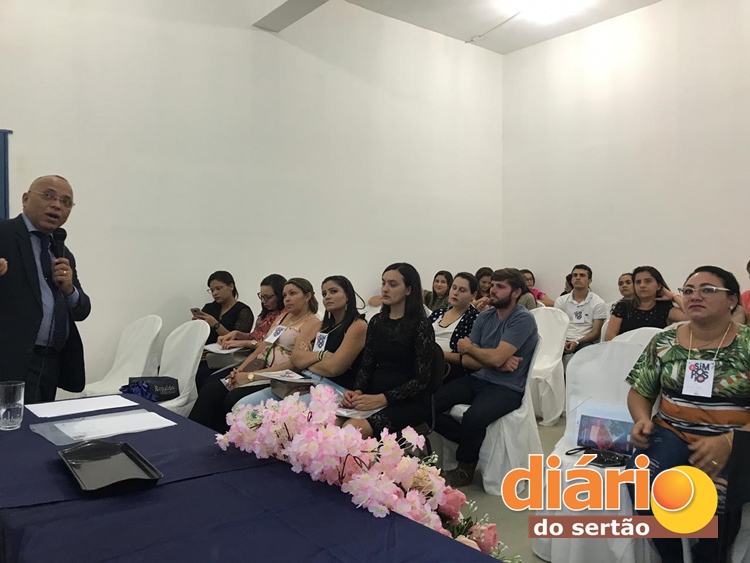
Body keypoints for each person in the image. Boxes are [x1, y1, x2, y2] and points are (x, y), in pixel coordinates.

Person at [625, 266, 750, 563]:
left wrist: (731, 441)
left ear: (732, 300)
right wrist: (642, 418)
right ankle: (670, 555)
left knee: (719, 495)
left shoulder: (746, 344)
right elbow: (640, 391)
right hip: (672, 430)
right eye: (689, 290)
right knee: (641, 478)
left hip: (736, 436)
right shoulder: (665, 341)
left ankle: (709, 555)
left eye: (708, 290)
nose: (695, 296)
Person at [434, 268, 539, 487]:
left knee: (473, 418)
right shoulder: (484, 317)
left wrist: (473, 349)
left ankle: (466, 464)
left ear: (516, 292)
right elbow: (469, 360)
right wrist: (494, 360)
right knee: (429, 404)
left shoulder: (522, 319)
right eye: (492, 285)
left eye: (500, 287)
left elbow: (483, 354)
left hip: (508, 387)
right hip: (479, 378)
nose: (493, 290)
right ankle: (471, 441)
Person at [0, 175, 91, 403]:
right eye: (48, 196)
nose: (57, 205)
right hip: (9, 361)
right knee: (10, 423)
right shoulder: (3, 234)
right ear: (25, 199)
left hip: (51, 362)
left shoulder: (62, 252)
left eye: (66, 202)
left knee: (41, 422)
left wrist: (70, 290)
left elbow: (82, 311)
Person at [189, 278, 320, 432]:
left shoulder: (312, 323)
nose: (287, 299)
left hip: (279, 376)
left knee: (232, 397)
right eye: (285, 295)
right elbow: (263, 346)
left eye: (293, 294)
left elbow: (294, 364)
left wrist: (251, 376)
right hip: (259, 366)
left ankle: (220, 436)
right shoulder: (283, 317)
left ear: (307, 296)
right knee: (211, 389)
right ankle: (193, 433)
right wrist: (241, 370)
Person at [235, 276, 367, 407]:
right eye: (324, 293)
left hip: (333, 388)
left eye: (333, 291)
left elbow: (334, 368)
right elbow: (296, 358)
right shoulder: (323, 326)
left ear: (348, 295)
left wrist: (307, 360)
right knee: (241, 405)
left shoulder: (357, 325)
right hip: (304, 381)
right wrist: (323, 355)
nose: (327, 297)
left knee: (278, 412)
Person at [341, 263, 435, 438]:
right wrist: (357, 391)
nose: (385, 289)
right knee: (332, 422)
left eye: (393, 284)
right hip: (375, 394)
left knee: (351, 431)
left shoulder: (421, 325)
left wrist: (382, 398)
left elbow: (422, 380)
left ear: (408, 290)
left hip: (407, 401)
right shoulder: (377, 321)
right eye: (383, 283)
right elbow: (367, 365)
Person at [605, 266, 688, 341]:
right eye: (638, 282)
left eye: (648, 281)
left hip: (653, 351)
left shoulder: (664, 307)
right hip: (624, 349)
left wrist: (674, 296)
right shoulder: (624, 306)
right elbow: (609, 337)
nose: (642, 285)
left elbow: (690, 316)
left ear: (659, 286)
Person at [429, 272, 480, 381]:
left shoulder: (475, 318)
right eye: (454, 288)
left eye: (462, 290)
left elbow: (469, 357)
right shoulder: (438, 313)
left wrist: (436, 354)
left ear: (473, 295)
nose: (455, 293)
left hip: (448, 368)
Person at [217, 274, 287, 351]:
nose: (263, 301)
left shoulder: (286, 316)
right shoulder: (266, 314)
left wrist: (243, 343)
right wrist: (237, 334)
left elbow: (269, 344)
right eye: (261, 297)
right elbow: (255, 337)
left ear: (280, 295)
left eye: (267, 297)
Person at [554, 264, 607, 359]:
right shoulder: (561, 300)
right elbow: (557, 327)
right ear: (571, 280)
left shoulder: (598, 303)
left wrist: (576, 342)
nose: (578, 278)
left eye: (582, 275)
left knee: (588, 357)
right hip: (563, 340)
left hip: (585, 341)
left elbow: (596, 332)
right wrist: (563, 342)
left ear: (589, 281)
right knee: (548, 355)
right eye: (575, 275)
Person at [194, 271, 254, 345]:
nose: (214, 293)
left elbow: (237, 341)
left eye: (218, 288)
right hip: (205, 349)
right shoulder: (209, 308)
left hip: (230, 351)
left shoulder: (243, 311)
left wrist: (215, 324)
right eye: (212, 290)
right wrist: (197, 325)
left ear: (231, 286)